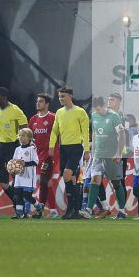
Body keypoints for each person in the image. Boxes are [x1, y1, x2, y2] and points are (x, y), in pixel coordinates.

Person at [0, 87, 27, 219]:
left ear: (4, 97)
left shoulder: (15, 111)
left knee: (12, 181)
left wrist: (22, 147)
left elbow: (24, 128)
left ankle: (19, 208)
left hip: (12, 147)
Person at [48, 86, 90, 220]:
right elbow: (55, 130)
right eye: (60, 96)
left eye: (63, 96)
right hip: (63, 148)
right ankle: (74, 211)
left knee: (67, 176)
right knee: (70, 180)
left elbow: (85, 132)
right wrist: (51, 146)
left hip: (76, 148)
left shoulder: (80, 112)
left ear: (70, 96)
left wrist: (87, 150)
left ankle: (72, 209)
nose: (61, 99)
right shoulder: (59, 112)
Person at [89, 94, 126, 218]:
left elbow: (122, 135)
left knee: (116, 183)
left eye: (98, 109)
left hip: (111, 155)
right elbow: (94, 134)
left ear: (104, 106)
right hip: (98, 155)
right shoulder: (94, 116)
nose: (97, 111)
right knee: (95, 180)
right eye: (95, 109)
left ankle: (122, 210)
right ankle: (89, 209)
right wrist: (93, 151)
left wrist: (119, 153)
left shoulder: (114, 116)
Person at [28, 92, 59, 219]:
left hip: (50, 155)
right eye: (37, 101)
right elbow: (30, 138)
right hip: (37, 156)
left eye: (40, 101)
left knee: (44, 181)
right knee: (46, 183)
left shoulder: (53, 118)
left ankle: (48, 210)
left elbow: (59, 135)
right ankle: (52, 210)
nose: (37, 103)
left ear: (47, 104)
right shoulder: (33, 120)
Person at [11, 128, 42, 219]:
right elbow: (14, 162)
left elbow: (35, 162)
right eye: (20, 135)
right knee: (18, 195)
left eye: (23, 136)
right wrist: (11, 167)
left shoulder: (32, 148)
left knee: (27, 195)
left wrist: (25, 164)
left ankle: (39, 207)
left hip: (29, 177)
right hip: (19, 177)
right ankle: (19, 214)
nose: (21, 137)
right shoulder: (17, 149)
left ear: (29, 138)